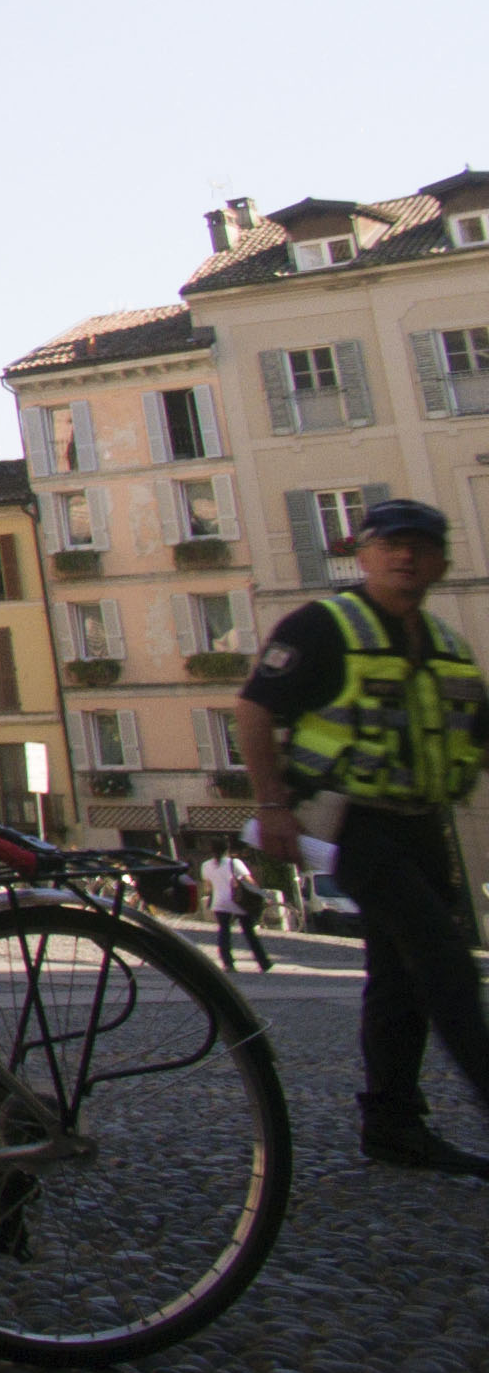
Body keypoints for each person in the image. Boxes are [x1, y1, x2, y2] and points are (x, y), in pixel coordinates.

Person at [234, 498, 488, 1177]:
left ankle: (393, 1125)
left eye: (420, 546)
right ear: (364, 554)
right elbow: (256, 709)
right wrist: (272, 805)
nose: (406, 556)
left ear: (441, 562)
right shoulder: (322, 627)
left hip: (423, 824)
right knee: (446, 963)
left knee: (400, 976)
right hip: (354, 822)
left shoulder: (444, 644)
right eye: (391, 544)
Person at [197, 845, 272, 976]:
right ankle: (263, 962)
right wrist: (261, 894)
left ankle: (228, 963)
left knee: (224, 931)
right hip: (238, 901)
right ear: (227, 850)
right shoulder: (234, 862)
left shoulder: (205, 865)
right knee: (249, 932)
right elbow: (248, 881)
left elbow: (207, 888)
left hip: (219, 902)